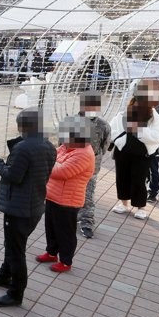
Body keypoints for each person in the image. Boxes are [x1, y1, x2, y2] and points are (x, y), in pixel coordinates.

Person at [0, 108, 56, 308]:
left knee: (16, 250)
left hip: (19, 208)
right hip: (35, 205)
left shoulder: (23, 149)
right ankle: (5, 275)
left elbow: (13, 175)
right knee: (13, 245)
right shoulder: (49, 146)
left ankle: (16, 293)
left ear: (24, 126)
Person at [36, 117, 95, 273]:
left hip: (68, 201)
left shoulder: (84, 154)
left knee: (66, 233)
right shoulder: (66, 147)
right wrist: (51, 161)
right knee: (51, 228)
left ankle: (66, 261)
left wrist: (48, 162)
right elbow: (53, 159)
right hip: (53, 195)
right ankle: (51, 253)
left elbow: (61, 172)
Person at [109, 87, 159, 219]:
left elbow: (157, 137)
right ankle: (124, 203)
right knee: (121, 178)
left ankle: (141, 207)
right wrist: (118, 140)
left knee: (139, 180)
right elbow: (113, 129)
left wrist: (139, 130)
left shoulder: (155, 119)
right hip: (122, 152)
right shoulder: (123, 114)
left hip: (142, 154)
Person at [76, 92, 111, 239]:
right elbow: (62, 144)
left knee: (88, 194)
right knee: (69, 191)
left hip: (90, 166)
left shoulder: (103, 125)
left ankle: (86, 222)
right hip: (73, 162)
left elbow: (105, 146)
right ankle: (68, 217)